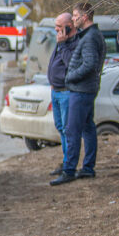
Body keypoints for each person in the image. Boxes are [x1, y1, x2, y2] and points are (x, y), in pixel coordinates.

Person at [53, 2, 106, 185]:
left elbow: (90, 64)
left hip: (81, 90)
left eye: (75, 16)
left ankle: (69, 170)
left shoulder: (90, 37)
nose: (73, 19)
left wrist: (71, 77)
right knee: (88, 128)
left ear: (84, 17)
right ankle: (88, 168)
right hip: (85, 89)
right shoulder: (90, 35)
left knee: (72, 130)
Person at [45, 12, 79, 177]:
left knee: (67, 130)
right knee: (60, 127)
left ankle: (69, 165)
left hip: (66, 92)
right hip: (55, 91)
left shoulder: (73, 43)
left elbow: (71, 64)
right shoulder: (61, 41)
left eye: (59, 27)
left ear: (69, 26)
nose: (56, 30)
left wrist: (63, 44)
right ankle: (65, 161)